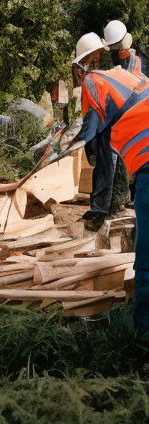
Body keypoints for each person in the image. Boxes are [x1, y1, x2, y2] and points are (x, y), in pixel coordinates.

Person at [69, 48, 149, 337]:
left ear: (79, 68)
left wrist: (64, 147)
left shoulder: (91, 82)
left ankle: (143, 335)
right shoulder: (125, 75)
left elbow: (88, 128)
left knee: (146, 255)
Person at [72, 33, 117, 230]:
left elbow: (95, 113)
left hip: (111, 123)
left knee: (107, 166)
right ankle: (102, 207)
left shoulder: (94, 78)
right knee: (103, 167)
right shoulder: (95, 75)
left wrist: (84, 139)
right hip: (105, 122)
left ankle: (101, 211)